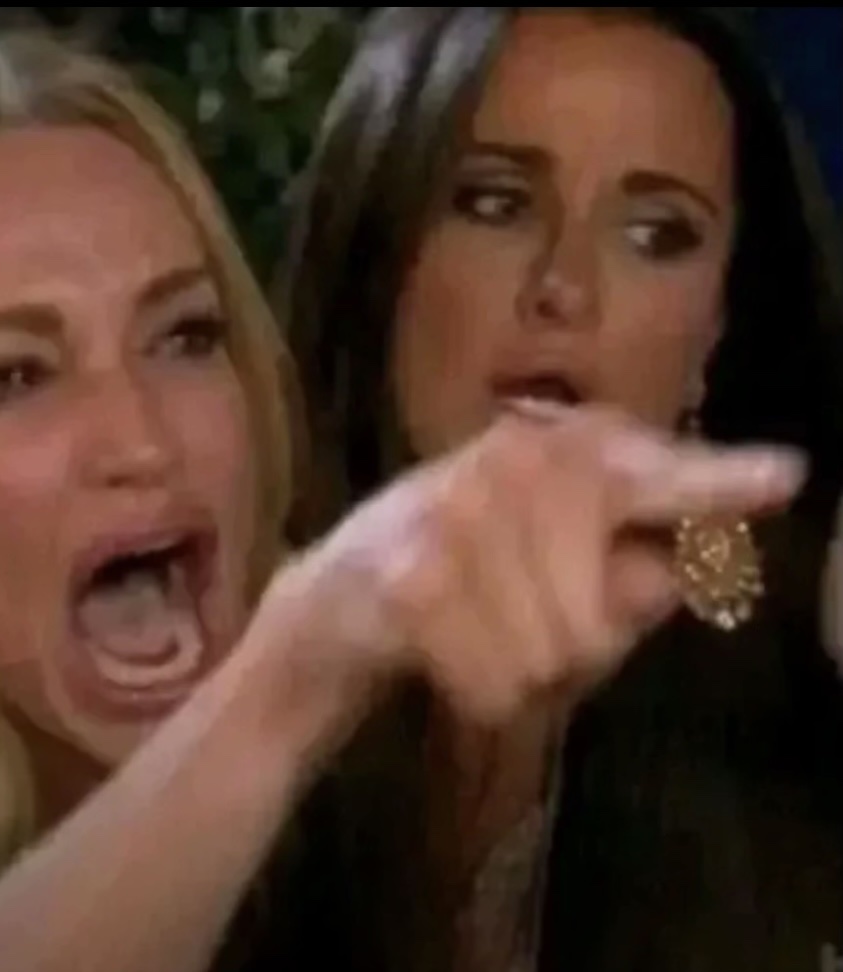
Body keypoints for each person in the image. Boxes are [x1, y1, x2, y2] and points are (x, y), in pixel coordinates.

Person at [0, 14, 808, 972]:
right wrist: (299, 665)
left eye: (184, 336)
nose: (141, 440)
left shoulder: (734, 614)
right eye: (10, 376)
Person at [282, 7, 843, 971]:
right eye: (495, 204)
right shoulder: (216, 657)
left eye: (656, 234)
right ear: (379, 250)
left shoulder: (789, 660)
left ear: (714, 330)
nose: (564, 287)